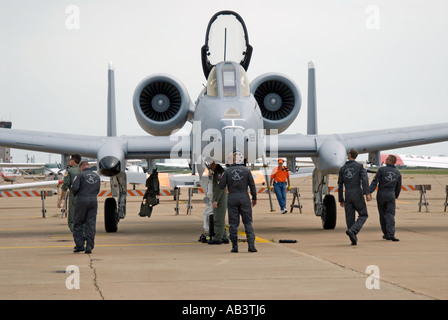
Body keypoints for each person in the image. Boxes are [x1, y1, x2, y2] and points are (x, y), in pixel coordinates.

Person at [219, 151, 258, 253]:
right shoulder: (246, 170)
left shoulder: (227, 172)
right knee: (248, 222)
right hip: (244, 197)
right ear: (237, 160)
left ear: (229, 161)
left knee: (233, 224)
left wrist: (220, 179)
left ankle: (235, 246)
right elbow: (252, 186)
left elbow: (221, 186)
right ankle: (251, 246)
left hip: (232, 197)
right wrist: (254, 198)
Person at [338, 149, 371, 245]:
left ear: (349, 155)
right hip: (357, 193)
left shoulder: (343, 168)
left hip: (347, 194)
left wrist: (341, 199)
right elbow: (365, 180)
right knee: (364, 214)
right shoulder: (360, 166)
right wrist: (367, 194)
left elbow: (340, 185)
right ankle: (354, 231)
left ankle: (353, 236)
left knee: (349, 217)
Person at [368, 154, 402, 242]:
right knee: (390, 215)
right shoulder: (397, 173)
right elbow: (398, 187)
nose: (385, 160)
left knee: (382, 215)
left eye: (387, 159)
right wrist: (395, 196)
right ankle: (391, 234)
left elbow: (375, 182)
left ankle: (386, 233)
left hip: (381, 195)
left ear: (390, 161)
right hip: (391, 195)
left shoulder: (381, 170)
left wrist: (369, 191)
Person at [71, 161, 101, 254]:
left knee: (78, 222)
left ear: (81, 168)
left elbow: (75, 188)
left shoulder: (80, 175)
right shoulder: (97, 176)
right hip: (93, 200)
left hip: (82, 200)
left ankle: (80, 245)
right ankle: (89, 246)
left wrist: (76, 195)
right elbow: (98, 189)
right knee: (90, 223)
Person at [57, 154, 81, 232]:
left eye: (70, 160)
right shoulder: (82, 170)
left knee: (72, 218)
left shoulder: (69, 171)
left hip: (74, 196)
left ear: (73, 160)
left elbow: (65, 186)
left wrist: (60, 199)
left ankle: (76, 233)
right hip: (85, 196)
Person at [210, 162, 229, 245]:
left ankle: (218, 238)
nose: (210, 166)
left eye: (211, 164)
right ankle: (224, 236)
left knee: (218, 218)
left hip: (220, 198)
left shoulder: (219, 173)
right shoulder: (218, 172)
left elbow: (219, 188)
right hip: (221, 197)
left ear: (214, 164)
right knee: (220, 217)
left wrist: (216, 200)